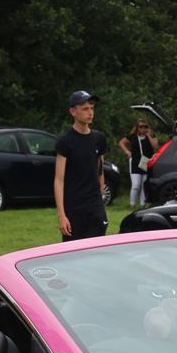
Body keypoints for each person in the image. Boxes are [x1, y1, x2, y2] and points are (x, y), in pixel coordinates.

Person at [54, 90, 109, 240]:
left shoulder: (99, 138)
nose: (90, 112)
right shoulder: (65, 141)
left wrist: (101, 194)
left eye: (92, 108)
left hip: (95, 205)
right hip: (74, 207)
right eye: (85, 108)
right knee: (72, 255)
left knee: (97, 251)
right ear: (73, 111)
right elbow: (59, 180)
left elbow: (99, 167)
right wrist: (62, 216)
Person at [117, 118, 159, 206]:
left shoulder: (151, 135)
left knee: (144, 185)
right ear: (137, 128)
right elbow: (121, 143)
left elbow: (155, 146)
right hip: (135, 163)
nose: (143, 129)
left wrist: (148, 135)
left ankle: (142, 204)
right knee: (136, 185)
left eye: (145, 127)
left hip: (147, 162)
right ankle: (132, 204)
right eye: (141, 127)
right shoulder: (133, 136)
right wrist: (127, 152)